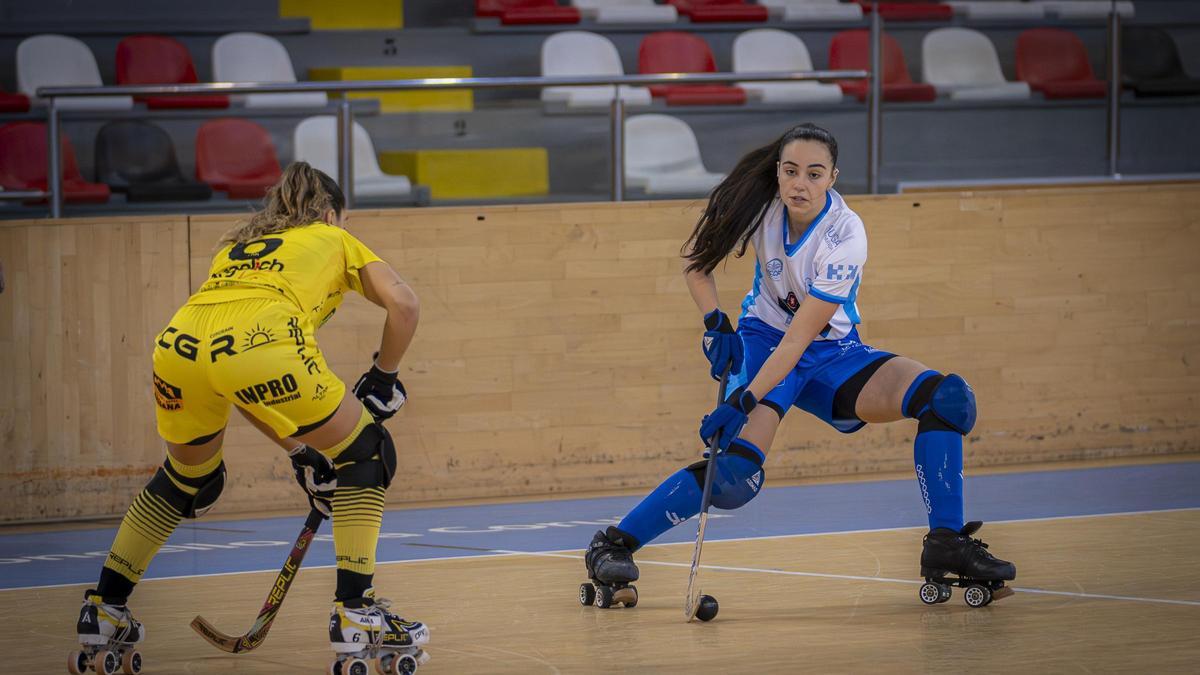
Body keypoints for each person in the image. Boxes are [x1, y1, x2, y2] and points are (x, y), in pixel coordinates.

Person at [583, 123, 1016, 605]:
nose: (800, 184)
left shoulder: (846, 233)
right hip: (763, 341)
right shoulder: (760, 205)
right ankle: (611, 545)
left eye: (814, 174)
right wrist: (715, 323)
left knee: (947, 399)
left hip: (832, 353)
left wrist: (743, 401)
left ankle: (947, 542)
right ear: (778, 172)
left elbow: (800, 340)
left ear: (833, 177)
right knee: (736, 476)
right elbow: (696, 260)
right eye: (791, 171)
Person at [70, 162, 429, 674]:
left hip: (179, 347)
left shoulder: (237, 249)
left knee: (189, 479)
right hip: (262, 343)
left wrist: (302, 453)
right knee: (367, 452)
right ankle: (357, 610)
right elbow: (405, 305)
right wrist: (383, 377)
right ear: (330, 214)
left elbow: (236, 382)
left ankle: (104, 608)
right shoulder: (332, 236)